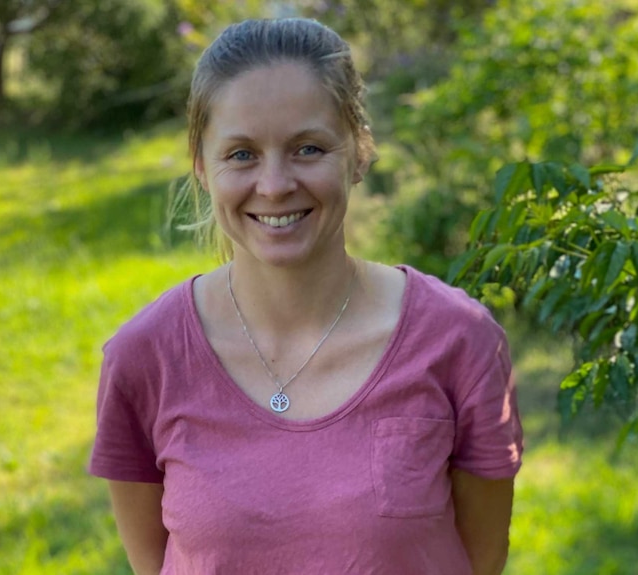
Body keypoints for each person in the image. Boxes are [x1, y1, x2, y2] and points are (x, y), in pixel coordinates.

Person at [89, 17, 523, 575]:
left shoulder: (460, 342)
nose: (274, 185)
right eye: (241, 154)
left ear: (359, 153)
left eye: (308, 148)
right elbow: (152, 562)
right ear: (201, 167)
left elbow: (481, 558)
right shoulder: (144, 358)